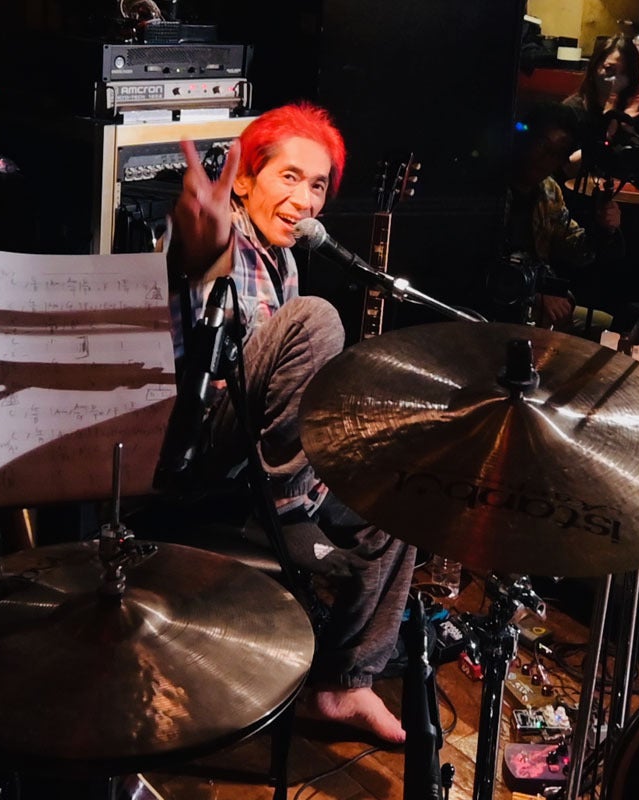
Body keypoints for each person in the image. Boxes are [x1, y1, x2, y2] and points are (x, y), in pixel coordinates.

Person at [161, 101, 417, 744]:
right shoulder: (221, 232)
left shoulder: (287, 260)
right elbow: (198, 270)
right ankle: (287, 505)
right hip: (199, 444)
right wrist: (201, 245)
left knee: (403, 495)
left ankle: (343, 682)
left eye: (318, 185)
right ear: (245, 180)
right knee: (317, 318)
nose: (305, 200)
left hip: (262, 450)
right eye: (289, 177)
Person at [497, 100, 623, 335]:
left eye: (556, 154)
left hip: (540, 299)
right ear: (526, 140)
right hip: (501, 302)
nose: (546, 158)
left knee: (606, 324)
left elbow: (576, 250)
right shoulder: (492, 189)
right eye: (542, 145)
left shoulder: (549, 190)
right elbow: (485, 261)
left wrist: (603, 227)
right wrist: (536, 293)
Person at [562, 35, 639, 179]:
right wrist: (607, 133)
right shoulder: (572, 110)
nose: (615, 80)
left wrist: (628, 134)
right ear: (595, 67)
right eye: (609, 69)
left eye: (624, 73)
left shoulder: (630, 114)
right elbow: (567, 169)